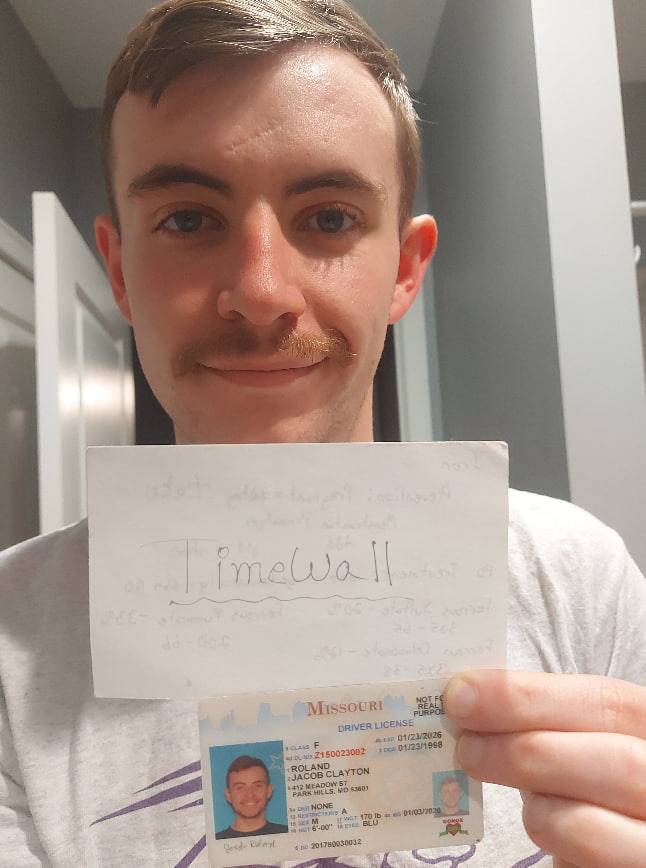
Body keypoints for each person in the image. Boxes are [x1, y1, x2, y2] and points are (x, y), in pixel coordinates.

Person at [0, 0, 645, 866]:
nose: (261, 291)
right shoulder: (11, 639)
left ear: (405, 269)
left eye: (330, 217)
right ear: (118, 270)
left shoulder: (576, 576)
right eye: (189, 219)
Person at [215, 755, 288, 839]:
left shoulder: (289, 834)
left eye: (257, 785)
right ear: (228, 795)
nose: (250, 794)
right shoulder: (215, 841)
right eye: (240, 787)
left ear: (269, 791)